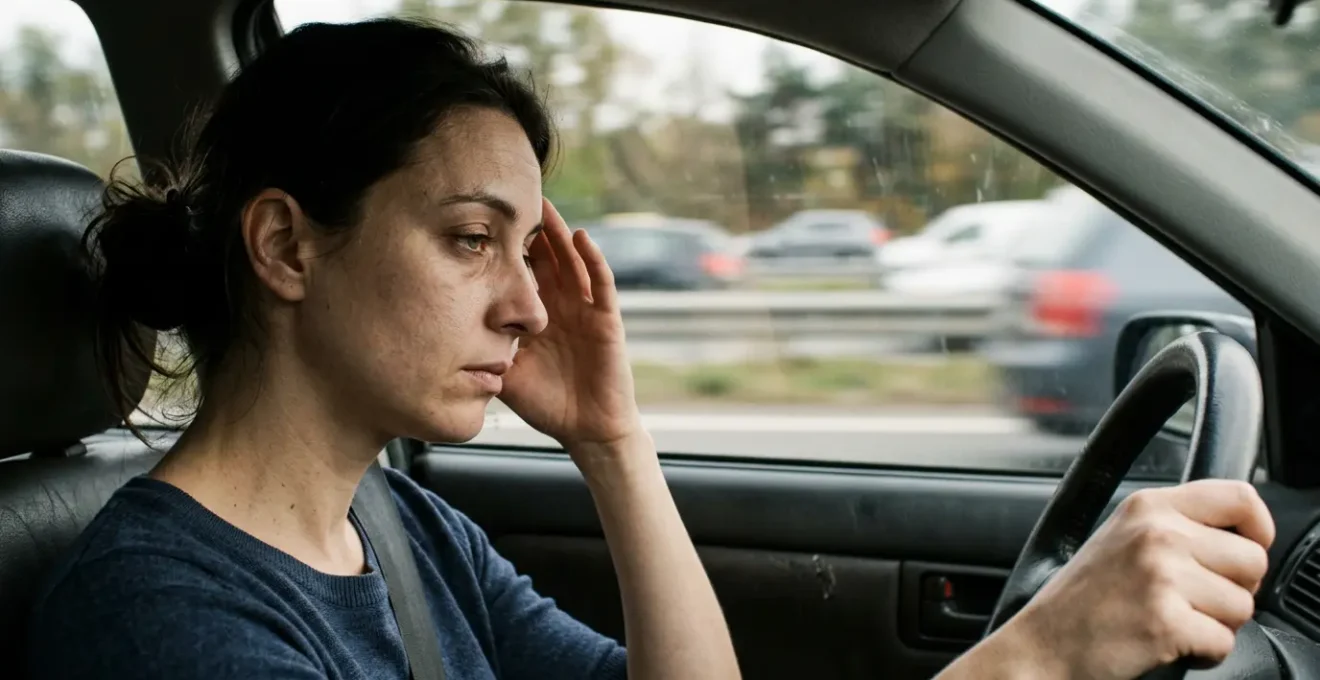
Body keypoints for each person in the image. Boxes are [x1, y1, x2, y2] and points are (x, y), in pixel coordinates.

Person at [24, 16, 1274, 680]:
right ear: (288, 247)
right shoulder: (158, 615)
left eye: (529, 249)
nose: (528, 304)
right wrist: (1037, 658)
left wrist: (614, 442)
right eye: (471, 239)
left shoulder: (405, 532)